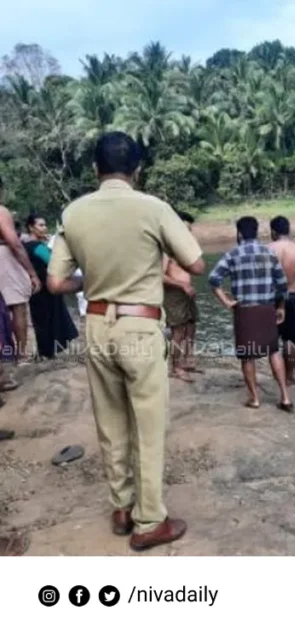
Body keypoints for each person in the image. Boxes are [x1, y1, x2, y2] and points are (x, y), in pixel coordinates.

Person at [46, 131, 205, 551]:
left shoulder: (73, 213)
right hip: (140, 325)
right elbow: (197, 263)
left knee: (110, 420)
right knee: (148, 425)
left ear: (95, 168)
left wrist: (92, 279)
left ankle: (121, 507)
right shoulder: (154, 208)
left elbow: (57, 281)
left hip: (97, 324)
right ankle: (149, 520)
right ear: (137, 170)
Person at [208, 216, 293, 412]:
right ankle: (285, 397)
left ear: (239, 233)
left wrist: (227, 302)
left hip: (245, 311)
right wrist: (280, 307)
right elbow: (282, 285)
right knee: (273, 351)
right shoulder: (269, 253)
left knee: (247, 356)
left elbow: (214, 280)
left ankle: (255, 398)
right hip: (266, 309)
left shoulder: (232, 255)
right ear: (257, 231)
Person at [23, 214, 78, 359]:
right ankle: (46, 351)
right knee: (48, 319)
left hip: (36, 288)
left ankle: (45, 351)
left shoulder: (26, 245)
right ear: (31, 227)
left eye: (45, 225)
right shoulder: (36, 246)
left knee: (41, 319)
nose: (44, 228)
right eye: (40, 225)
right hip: (45, 287)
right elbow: (52, 262)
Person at [0, 176, 42, 364]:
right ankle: (21, 355)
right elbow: (14, 244)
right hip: (4, 256)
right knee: (18, 306)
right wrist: (32, 273)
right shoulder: (1, 211)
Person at [267, 216, 295, 385]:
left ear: (273, 232)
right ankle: (292, 373)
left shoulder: (267, 249)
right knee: (292, 339)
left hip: (271, 298)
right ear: (289, 230)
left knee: (272, 339)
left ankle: (279, 375)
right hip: (292, 297)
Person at [162, 211, 201, 382]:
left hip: (187, 293)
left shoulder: (185, 247)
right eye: (185, 228)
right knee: (178, 331)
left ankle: (187, 362)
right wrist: (182, 285)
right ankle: (176, 367)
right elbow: (159, 276)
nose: (189, 231)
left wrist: (188, 286)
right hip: (174, 294)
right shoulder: (166, 250)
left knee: (191, 327)